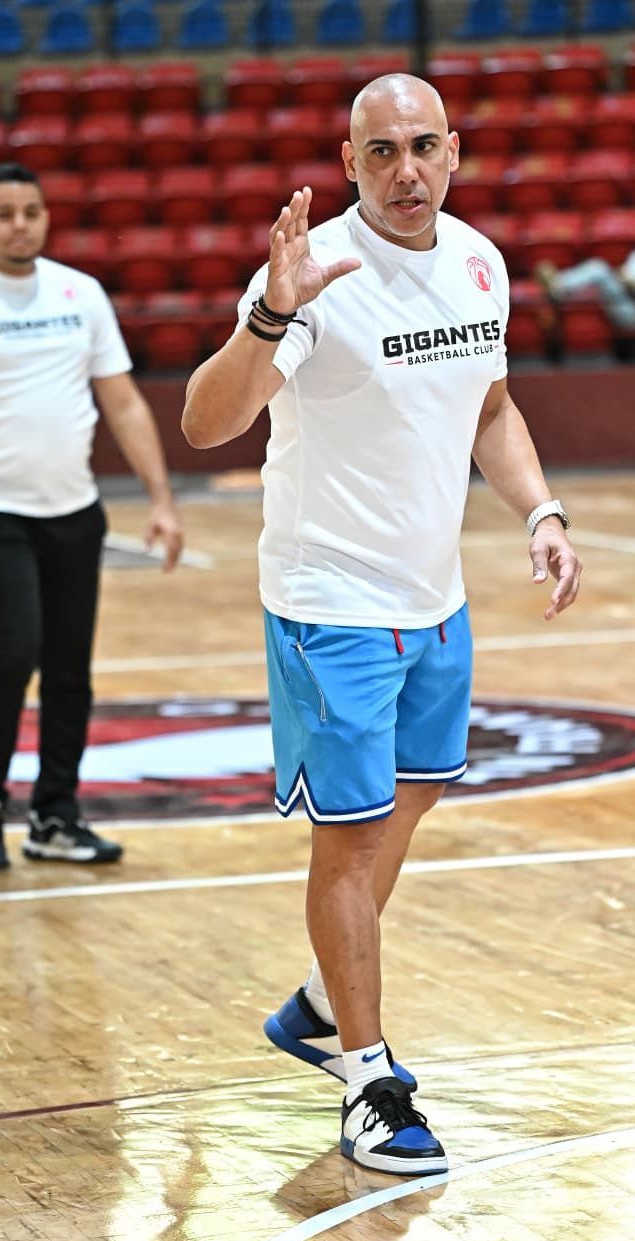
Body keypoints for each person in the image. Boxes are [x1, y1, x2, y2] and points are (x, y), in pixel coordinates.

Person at [182, 76, 581, 1176]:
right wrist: (270, 315)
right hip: (330, 604)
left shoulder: (480, 262)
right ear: (349, 164)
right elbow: (207, 422)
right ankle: (368, 1078)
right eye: (381, 152)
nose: (406, 171)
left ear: (453, 151)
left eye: (423, 147)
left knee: (416, 794)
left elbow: (490, 408)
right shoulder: (313, 276)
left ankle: (320, 999)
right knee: (352, 841)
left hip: (433, 597)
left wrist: (540, 511)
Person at [0, 162, 183, 871]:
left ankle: (55, 816)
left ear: (46, 218)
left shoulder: (80, 294)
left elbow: (122, 401)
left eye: (31, 212)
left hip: (73, 513)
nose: (20, 225)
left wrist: (161, 499)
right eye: (4, 214)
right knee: (14, 653)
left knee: (69, 670)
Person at [534, 225, 635, 331]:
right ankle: (558, 284)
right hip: (630, 309)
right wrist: (623, 279)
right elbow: (625, 280)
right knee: (598, 267)